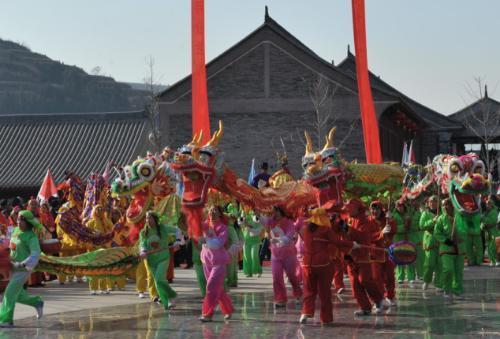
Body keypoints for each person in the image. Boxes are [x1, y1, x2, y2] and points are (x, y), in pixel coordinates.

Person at [298, 208, 357, 325]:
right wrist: (352, 244)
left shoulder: (304, 229)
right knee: (324, 292)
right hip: (323, 263)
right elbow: (337, 242)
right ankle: (326, 318)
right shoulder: (325, 230)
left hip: (306, 264)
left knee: (309, 290)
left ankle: (306, 312)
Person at [0, 210, 44, 327]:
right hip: (12, 268)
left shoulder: (31, 236)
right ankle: (37, 302)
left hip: (22, 270)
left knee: (9, 294)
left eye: (22, 220)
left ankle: (6, 320)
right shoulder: (15, 231)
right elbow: (9, 245)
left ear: (29, 223)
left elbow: (35, 254)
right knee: (17, 295)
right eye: (18, 219)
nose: (19, 222)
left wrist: (22, 264)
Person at [343, 199, 385, 316]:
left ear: (357, 209)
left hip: (362, 255)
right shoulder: (348, 219)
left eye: (350, 208)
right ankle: (365, 307)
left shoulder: (365, 221)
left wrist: (346, 228)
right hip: (350, 256)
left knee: (364, 280)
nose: (348, 210)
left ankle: (378, 299)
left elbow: (362, 237)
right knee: (354, 284)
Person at [199, 206, 234, 322]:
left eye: (215, 210)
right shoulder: (204, 225)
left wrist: (206, 240)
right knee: (217, 289)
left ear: (220, 214)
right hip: (206, 261)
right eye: (210, 210)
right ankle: (228, 309)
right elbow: (194, 232)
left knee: (211, 287)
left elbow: (218, 243)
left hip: (219, 262)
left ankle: (207, 313)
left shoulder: (223, 228)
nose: (212, 212)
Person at [264, 206, 302, 307]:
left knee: (291, 276)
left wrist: (278, 240)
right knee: (276, 278)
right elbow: (261, 220)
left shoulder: (288, 222)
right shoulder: (270, 221)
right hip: (275, 254)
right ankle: (280, 299)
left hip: (288, 254)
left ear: (280, 211)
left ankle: (298, 293)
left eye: (275, 211)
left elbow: (289, 236)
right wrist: (256, 210)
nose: (272, 213)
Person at [139, 211, 178, 311]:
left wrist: (178, 241)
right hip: (151, 261)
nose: (148, 220)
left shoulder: (162, 228)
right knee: (158, 282)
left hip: (163, 258)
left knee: (159, 278)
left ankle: (171, 296)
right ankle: (167, 302)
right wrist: (143, 251)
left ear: (155, 219)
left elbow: (177, 231)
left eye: (150, 218)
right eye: (147, 218)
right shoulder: (144, 232)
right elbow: (142, 244)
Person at [434, 198, 467, 299]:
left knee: (458, 271)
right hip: (446, 248)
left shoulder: (460, 217)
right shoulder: (440, 219)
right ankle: (447, 289)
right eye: (443, 205)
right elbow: (437, 233)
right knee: (448, 269)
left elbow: (467, 229)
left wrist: (459, 236)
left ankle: (457, 291)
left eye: (447, 204)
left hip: (460, 248)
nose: (445, 207)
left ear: (452, 205)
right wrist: (446, 241)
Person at [368, 200, 397, 306]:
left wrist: (391, 220)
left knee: (390, 276)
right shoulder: (368, 221)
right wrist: (380, 233)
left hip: (388, 251)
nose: (374, 211)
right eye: (372, 209)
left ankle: (390, 295)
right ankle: (379, 299)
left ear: (381, 210)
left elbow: (394, 231)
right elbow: (367, 237)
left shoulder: (388, 220)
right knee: (376, 277)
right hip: (374, 253)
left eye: (377, 209)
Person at [86, 205, 114, 295]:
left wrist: (106, 235)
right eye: (98, 209)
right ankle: (93, 288)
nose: (100, 211)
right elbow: (86, 235)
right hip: (94, 249)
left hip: (105, 248)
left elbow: (113, 231)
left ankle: (103, 287)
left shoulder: (107, 221)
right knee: (93, 269)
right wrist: (95, 235)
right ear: (94, 211)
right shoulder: (90, 223)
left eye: (101, 209)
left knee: (104, 269)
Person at [419, 196, 443, 291]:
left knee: (440, 265)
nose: (432, 204)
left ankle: (439, 284)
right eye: (431, 202)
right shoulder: (425, 213)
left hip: (441, 241)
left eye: (434, 202)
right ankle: (426, 280)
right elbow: (422, 226)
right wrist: (432, 221)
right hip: (430, 242)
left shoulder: (442, 213)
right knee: (429, 264)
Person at [392, 200, 417, 285]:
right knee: (399, 258)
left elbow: (414, 226)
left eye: (401, 205)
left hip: (408, 238)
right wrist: (404, 226)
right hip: (398, 240)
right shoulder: (393, 215)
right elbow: (394, 228)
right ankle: (400, 277)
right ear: (396, 207)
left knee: (410, 256)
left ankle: (411, 277)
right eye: (398, 206)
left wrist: (409, 222)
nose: (400, 207)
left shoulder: (408, 214)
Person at [241, 211, 263, 277]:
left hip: (255, 240)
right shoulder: (244, 212)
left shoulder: (258, 215)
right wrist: (242, 221)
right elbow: (240, 223)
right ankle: (248, 272)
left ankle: (257, 270)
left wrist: (248, 226)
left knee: (254, 255)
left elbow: (257, 230)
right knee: (246, 256)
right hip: (246, 239)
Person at [481, 197, 498, 267]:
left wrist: (483, 219)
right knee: (489, 247)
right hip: (487, 233)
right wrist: (482, 226)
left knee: (493, 247)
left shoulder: (494, 211)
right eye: (486, 204)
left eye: (488, 204)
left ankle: (496, 260)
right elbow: (482, 223)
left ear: (492, 204)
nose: (487, 205)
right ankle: (492, 261)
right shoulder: (486, 212)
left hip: (493, 232)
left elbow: (492, 221)